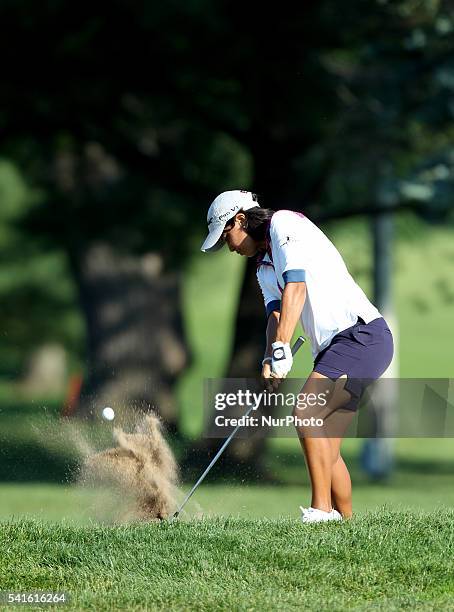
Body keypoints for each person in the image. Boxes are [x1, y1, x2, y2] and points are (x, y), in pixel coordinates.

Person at [201, 190, 394, 523]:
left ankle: (320, 512)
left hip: (361, 335)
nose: (229, 247)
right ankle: (349, 529)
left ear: (241, 219)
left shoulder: (284, 224)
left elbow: (297, 288)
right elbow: (275, 315)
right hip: (336, 347)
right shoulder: (263, 268)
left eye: (227, 235)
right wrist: (269, 356)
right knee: (326, 449)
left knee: (305, 413)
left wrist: (282, 347)